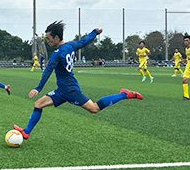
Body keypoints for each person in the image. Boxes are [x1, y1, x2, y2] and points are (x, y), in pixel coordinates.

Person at [14, 21, 143, 140]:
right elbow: (85, 41)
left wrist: (38, 88)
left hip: (70, 90)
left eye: (48, 38)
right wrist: (94, 32)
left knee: (94, 108)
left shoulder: (57, 53)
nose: (47, 41)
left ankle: (124, 95)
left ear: (56, 38)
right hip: (63, 89)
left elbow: (48, 71)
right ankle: (26, 132)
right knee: (39, 104)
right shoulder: (71, 46)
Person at [181, 36, 190, 100]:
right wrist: (183, 60)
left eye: (187, 40)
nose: (185, 42)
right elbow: (188, 58)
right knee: (185, 80)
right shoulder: (186, 49)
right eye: (184, 41)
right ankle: (186, 96)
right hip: (188, 66)